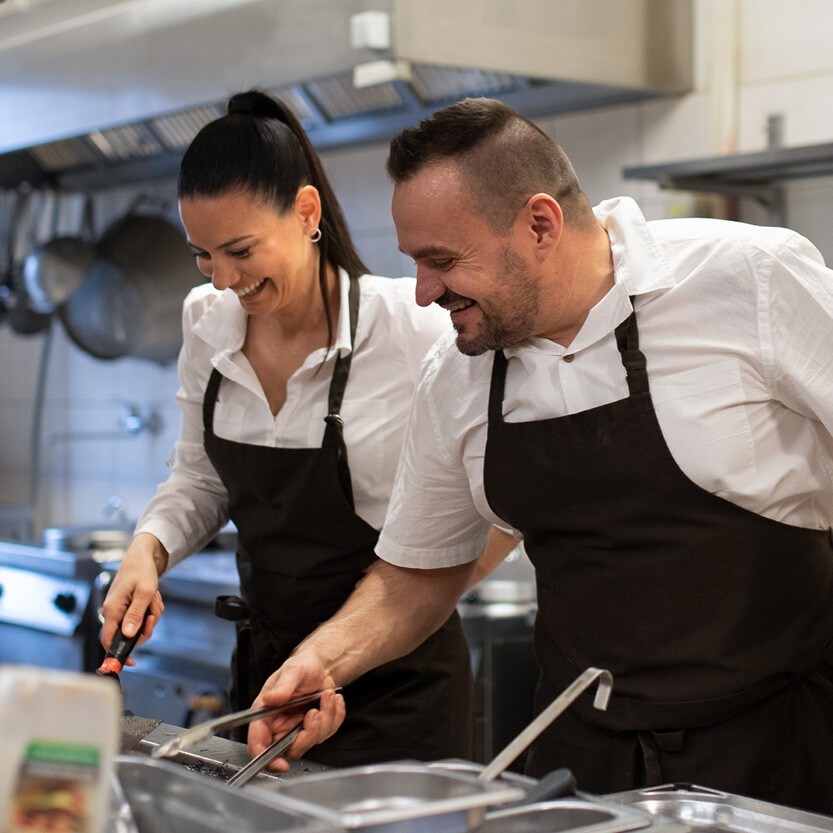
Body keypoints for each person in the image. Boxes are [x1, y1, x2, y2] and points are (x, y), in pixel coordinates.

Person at [249, 97, 833, 813]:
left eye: (442, 261)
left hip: (778, 755)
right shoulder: (458, 372)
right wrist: (320, 662)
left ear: (538, 224)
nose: (425, 291)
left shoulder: (749, 279)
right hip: (582, 768)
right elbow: (414, 577)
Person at [99, 89, 477, 767]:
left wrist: (416, 597)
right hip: (268, 688)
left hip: (398, 689)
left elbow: (491, 501)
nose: (222, 280)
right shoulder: (205, 324)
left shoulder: (409, 328)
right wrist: (147, 550)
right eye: (203, 256)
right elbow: (197, 477)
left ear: (306, 213)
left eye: (240, 250)